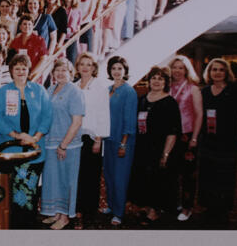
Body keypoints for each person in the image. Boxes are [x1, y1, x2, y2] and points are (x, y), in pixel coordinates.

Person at [0, 54, 53, 229]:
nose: (21, 71)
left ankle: (27, 230)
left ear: (29, 70)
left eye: (24, 68)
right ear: (11, 71)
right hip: (10, 152)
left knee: (30, 194)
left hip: (34, 152)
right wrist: (18, 136)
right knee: (11, 195)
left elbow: (47, 116)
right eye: (17, 68)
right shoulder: (4, 91)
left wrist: (35, 138)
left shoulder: (39, 90)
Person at [129, 66, 181, 225]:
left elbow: (173, 132)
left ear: (166, 82)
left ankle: (154, 211)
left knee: (158, 180)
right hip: (142, 147)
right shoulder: (143, 99)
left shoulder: (170, 102)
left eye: (160, 79)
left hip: (160, 148)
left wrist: (165, 154)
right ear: (149, 80)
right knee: (143, 178)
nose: (156, 81)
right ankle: (146, 206)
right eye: (154, 78)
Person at [199, 58, 237, 226]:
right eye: (214, 70)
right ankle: (209, 207)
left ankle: (223, 210)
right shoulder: (204, 91)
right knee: (208, 174)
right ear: (209, 73)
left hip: (228, 140)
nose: (217, 73)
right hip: (208, 140)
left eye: (221, 70)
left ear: (226, 73)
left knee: (225, 176)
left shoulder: (235, 91)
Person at [40, 59, 85, 230]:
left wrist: (63, 145)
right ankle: (57, 213)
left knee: (67, 181)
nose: (60, 73)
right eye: (57, 70)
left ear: (71, 73)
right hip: (51, 143)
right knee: (54, 181)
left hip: (68, 145)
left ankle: (65, 217)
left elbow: (77, 122)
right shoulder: (51, 89)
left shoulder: (75, 91)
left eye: (64, 70)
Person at [73, 53, 110, 228]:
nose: (85, 67)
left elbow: (103, 114)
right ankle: (78, 211)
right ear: (78, 67)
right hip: (75, 138)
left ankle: (89, 213)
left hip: (92, 137)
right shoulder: (73, 86)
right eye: (82, 64)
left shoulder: (100, 87)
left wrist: (99, 139)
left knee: (91, 177)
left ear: (94, 68)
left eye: (89, 64)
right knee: (77, 177)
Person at [102, 56, 138, 226]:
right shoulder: (109, 89)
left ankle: (119, 212)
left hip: (122, 141)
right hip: (108, 140)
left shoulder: (129, 91)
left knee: (119, 178)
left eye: (120, 69)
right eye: (114, 68)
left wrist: (123, 143)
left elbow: (130, 121)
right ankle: (110, 205)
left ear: (125, 71)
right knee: (108, 175)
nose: (116, 71)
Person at [168, 55, 203, 222]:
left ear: (186, 70)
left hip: (187, 135)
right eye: (174, 67)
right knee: (171, 171)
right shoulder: (167, 87)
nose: (177, 70)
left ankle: (187, 207)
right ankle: (174, 203)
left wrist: (194, 138)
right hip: (170, 136)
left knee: (188, 174)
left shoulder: (192, 88)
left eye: (181, 67)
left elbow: (199, 114)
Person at [60, 0, 82, 64]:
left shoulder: (77, 9)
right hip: (61, 38)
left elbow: (78, 25)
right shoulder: (60, 9)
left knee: (72, 60)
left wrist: (76, 38)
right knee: (62, 61)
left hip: (72, 37)